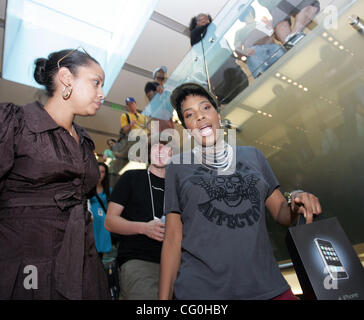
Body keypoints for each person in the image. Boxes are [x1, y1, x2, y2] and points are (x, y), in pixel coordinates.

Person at [159, 82, 322, 300]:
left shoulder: (253, 156)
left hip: (267, 284)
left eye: (205, 108)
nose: (199, 117)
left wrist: (296, 199)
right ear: (188, 127)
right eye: (190, 114)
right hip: (202, 292)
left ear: (218, 114)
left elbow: (283, 215)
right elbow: (172, 238)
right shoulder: (177, 167)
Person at [0, 48, 110, 299]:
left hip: (81, 259)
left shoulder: (84, 142)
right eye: (96, 82)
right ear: (66, 78)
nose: (102, 94)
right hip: (24, 261)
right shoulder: (15, 122)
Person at [105, 137, 172, 300]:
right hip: (138, 258)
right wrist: (144, 228)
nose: (160, 152)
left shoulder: (177, 186)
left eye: (165, 149)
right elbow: (110, 222)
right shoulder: (132, 177)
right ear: (149, 154)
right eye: (156, 148)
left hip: (173, 263)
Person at [88, 162, 112, 261]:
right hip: (90, 226)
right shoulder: (86, 189)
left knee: (99, 259)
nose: (99, 174)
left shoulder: (109, 191)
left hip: (102, 229)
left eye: (102, 172)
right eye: (98, 171)